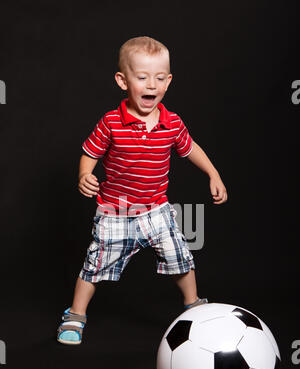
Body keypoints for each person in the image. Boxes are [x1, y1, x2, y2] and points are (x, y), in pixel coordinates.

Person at [57, 36, 227, 345]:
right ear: (122, 81)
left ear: (169, 81)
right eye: (142, 77)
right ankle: (75, 315)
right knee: (95, 265)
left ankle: (193, 305)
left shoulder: (172, 123)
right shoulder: (111, 122)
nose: (152, 85)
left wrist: (213, 173)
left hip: (156, 209)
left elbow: (190, 150)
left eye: (160, 78)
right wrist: (84, 174)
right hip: (116, 211)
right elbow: (90, 153)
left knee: (181, 257)